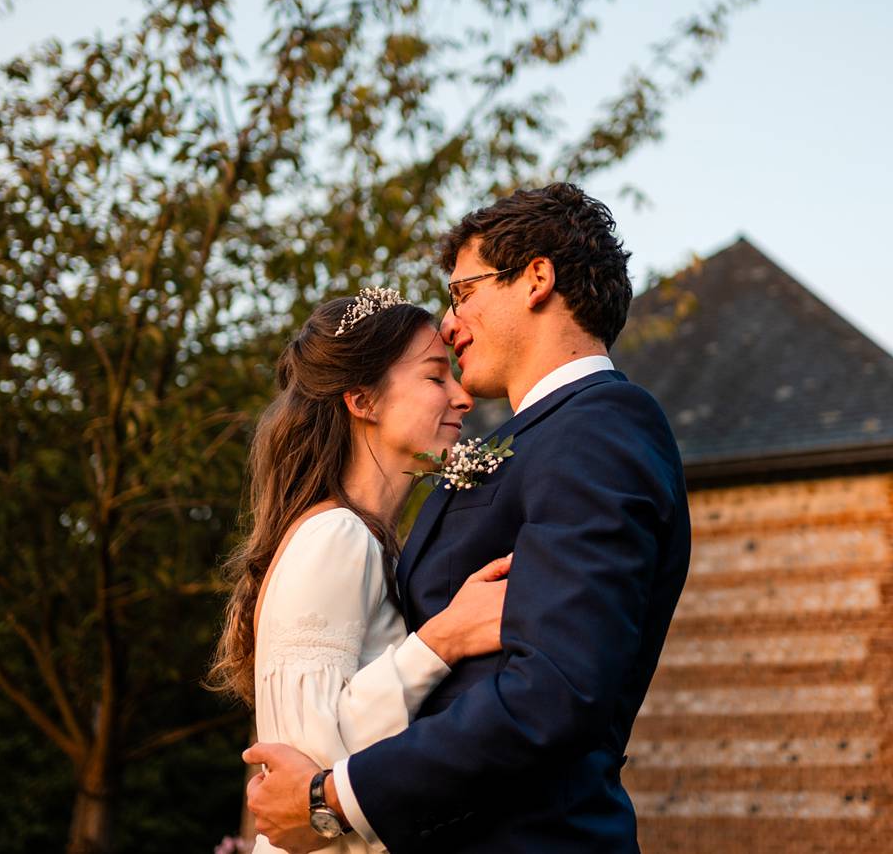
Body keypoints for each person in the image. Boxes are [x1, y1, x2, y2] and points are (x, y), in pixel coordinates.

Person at [245, 183, 692, 853]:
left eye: (462, 293)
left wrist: (333, 798)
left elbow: (554, 690)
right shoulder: (530, 443)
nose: (450, 325)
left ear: (536, 277)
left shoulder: (597, 431)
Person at [210, 291, 515, 853]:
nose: (463, 396)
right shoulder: (336, 538)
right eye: (434, 377)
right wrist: (445, 638)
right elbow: (314, 780)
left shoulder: (369, 542)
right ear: (362, 400)